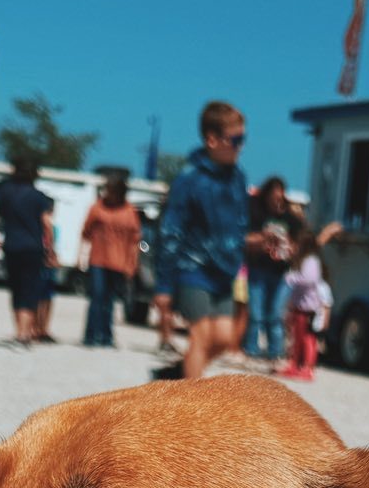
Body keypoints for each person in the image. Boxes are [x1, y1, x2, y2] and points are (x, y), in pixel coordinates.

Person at [153, 100, 250, 380]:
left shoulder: (238, 178)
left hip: (225, 270)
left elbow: (240, 227)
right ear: (212, 140)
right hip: (192, 268)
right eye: (235, 140)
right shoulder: (189, 179)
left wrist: (255, 243)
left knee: (225, 338)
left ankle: (176, 375)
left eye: (243, 139)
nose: (241, 147)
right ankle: (193, 401)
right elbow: (170, 232)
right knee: (202, 335)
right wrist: (164, 286)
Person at [0, 157, 55, 346]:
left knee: (16, 289)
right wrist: (50, 248)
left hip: (11, 246)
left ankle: (18, 331)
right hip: (33, 248)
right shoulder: (38, 196)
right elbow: (47, 224)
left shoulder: (5, 191)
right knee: (30, 289)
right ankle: (25, 333)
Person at [244, 176, 303, 364]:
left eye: (280, 195)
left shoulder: (290, 219)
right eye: (273, 195)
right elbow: (245, 238)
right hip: (259, 268)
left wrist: (291, 249)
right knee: (256, 313)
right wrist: (264, 237)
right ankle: (251, 350)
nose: (277, 199)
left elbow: (300, 243)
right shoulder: (257, 213)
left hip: (281, 272)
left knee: (276, 314)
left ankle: (275, 353)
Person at [80, 173, 142, 347]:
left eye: (111, 191)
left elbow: (134, 240)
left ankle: (106, 336)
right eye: (107, 190)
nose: (108, 194)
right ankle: (90, 336)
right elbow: (86, 231)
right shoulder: (97, 207)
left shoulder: (129, 211)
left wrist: (132, 264)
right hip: (98, 260)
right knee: (97, 296)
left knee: (110, 300)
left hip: (119, 262)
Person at [279, 226, 333, 380]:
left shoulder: (311, 261)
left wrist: (291, 277)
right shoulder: (303, 260)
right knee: (296, 339)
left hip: (308, 309)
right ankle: (294, 364)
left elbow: (309, 279)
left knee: (308, 340)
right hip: (299, 307)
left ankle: (308, 368)